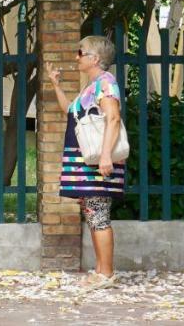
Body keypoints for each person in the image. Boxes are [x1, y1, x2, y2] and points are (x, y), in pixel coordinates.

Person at [49, 34, 124, 290]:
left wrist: (105, 156)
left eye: (80, 53)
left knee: (98, 214)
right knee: (94, 214)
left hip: (96, 161)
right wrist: (55, 84)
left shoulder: (105, 83)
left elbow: (113, 118)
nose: (76, 57)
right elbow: (70, 111)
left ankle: (107, 274)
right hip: (88, 161)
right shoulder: (92, 85)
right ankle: (101, 271)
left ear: (95, 58)